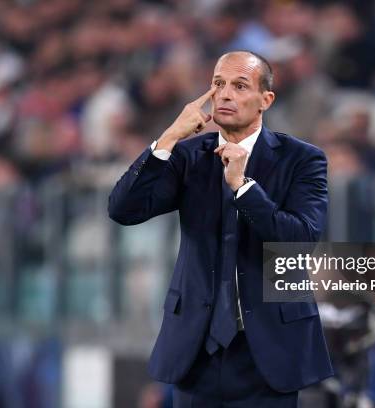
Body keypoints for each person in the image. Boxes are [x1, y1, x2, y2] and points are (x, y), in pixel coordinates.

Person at [109, 51, 333, 407]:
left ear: (265, 100)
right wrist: (166, 140)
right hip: (195, 351)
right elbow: (123, 209)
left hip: (268, 354)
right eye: (218, 84)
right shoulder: (188, 156)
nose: (225, 94)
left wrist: (243, 187)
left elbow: (300, 242)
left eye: (240, 85)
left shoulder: (302, 159)